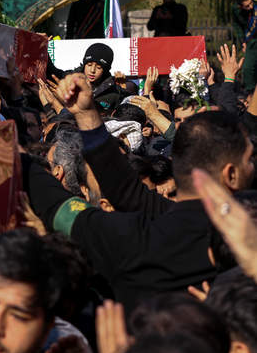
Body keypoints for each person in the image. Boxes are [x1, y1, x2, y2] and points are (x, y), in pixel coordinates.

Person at [26, 72, 254, 311]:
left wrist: (12, 154)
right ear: (231, 174)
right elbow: (127, 192)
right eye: (249, 159)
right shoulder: (246, 245)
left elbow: (67, 204)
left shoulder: (130, 239)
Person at [233, 0, 257, 92]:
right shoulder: (237, 11)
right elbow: (238, 26)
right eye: (247, 6)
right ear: (241, 6)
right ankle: (251, 92)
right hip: (251, 40)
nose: (251, 7)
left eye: (251, 3)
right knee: (248, 68)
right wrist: (243, 41)